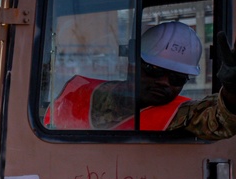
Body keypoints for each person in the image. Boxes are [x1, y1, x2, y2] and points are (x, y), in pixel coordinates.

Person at [46, 22, 236, 140]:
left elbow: (220, 119)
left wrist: (232, 90)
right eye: (154, 70)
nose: (164, 82)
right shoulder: (79, 91)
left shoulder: (180, 113)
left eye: (176, 78)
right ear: (132, 65)